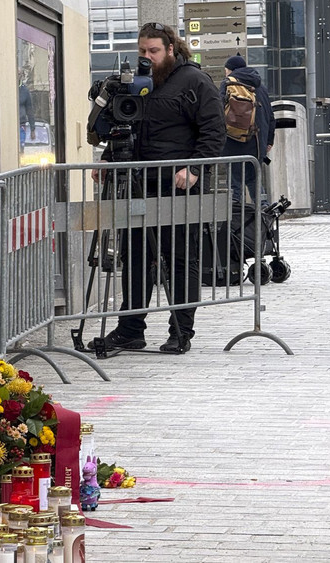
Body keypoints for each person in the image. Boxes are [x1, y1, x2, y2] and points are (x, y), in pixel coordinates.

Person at [89, 22, 226, 354]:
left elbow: (214, 132)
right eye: (142, 51)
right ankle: (130, 330)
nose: (147, 56)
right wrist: (109, 159)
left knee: (180, 258)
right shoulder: (135, 83)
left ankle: (181, 331)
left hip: (178, 186)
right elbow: (125, 126)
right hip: (137, 185)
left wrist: (193, 168)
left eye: (153, 50)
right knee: (135, 257)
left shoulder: (194, 81)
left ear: (170, 49)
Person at [219, 55, 275, 206]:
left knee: (235, 186)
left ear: (230, 70)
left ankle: (237, 222)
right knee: (254, 182)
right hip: (256, 143)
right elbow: (270, 116)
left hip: (234, 142)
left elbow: (218, 113)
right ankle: (264, 218)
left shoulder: (227, 84)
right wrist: (269, 141)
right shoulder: (260, 87)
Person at [19, 79, 37, 152]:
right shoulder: (5, 88)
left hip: (21, 125)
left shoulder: (25, 90)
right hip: (8, 125)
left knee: (21, 148)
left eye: (19, 73)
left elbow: (29, 110)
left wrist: (32, 129)